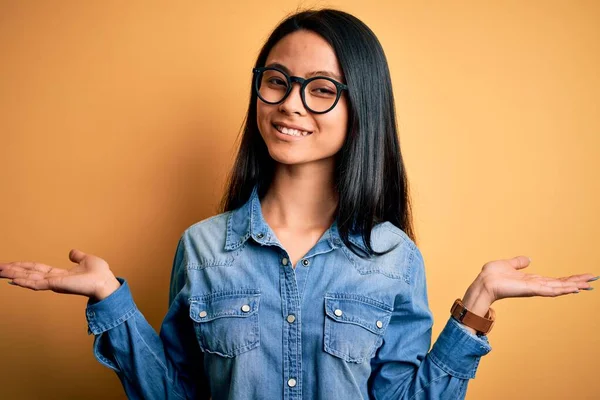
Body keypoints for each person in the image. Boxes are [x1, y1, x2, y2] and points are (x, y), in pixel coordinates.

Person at [0, 8, 596, 400]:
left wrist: (476, 307)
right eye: (277, 80)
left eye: (321, 89)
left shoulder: (393, 257)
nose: (291, 104)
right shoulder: (203, 247)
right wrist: (112, 301)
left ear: (360, 107)